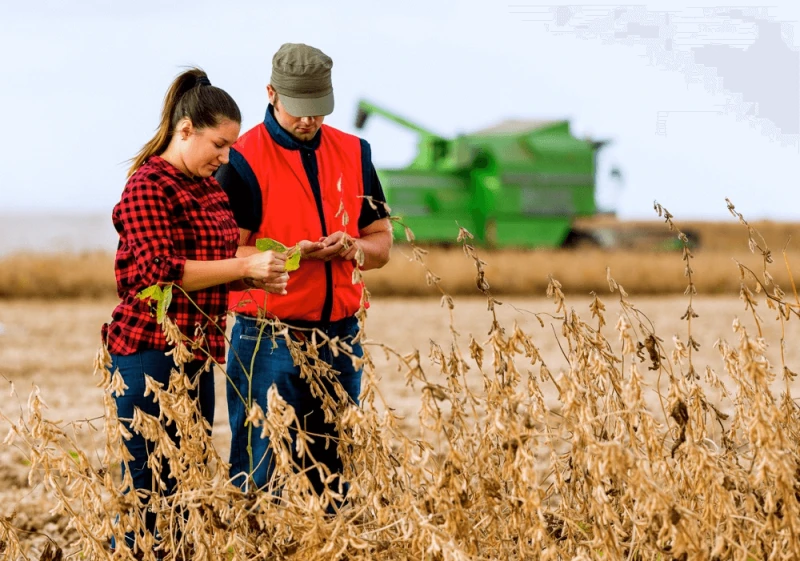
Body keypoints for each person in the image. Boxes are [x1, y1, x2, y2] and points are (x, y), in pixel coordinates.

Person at [101, 67, 288, 554]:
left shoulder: (209, 188)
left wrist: (261, 269)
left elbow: (215, 261)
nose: (227, 158)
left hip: (197, 355)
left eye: (232, 147)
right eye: (219, 145)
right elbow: (159, 271)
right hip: (148, 355)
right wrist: (237, 268)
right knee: (150, 495)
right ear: (185, 131)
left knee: (184, 490)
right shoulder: (148, 186)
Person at [214, 43, 392, 501]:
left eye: (318, 109)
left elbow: (382, 243)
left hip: (340, 336)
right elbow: (228, 253)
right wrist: (295, 255)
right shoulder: (240, 158)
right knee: (258, 469)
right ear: (271, 94)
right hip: (266, 335)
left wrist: (353, 247)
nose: (309, 121)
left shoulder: (356, 151)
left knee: (334, 473)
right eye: (299, 110)